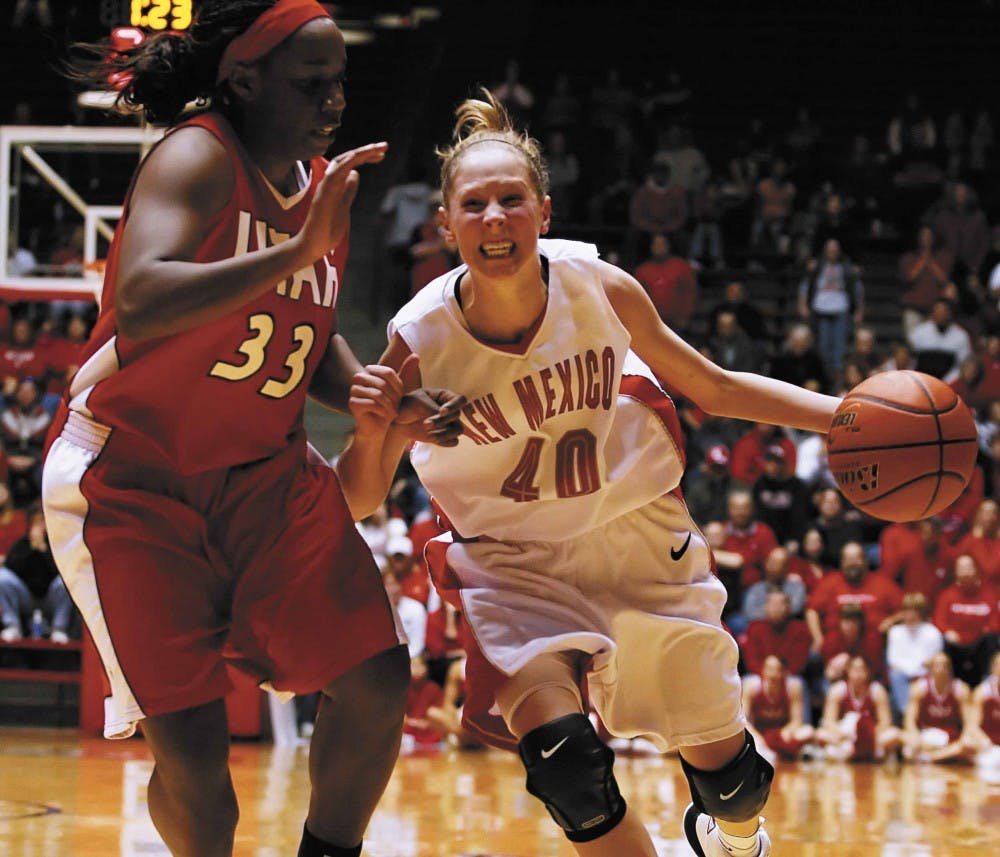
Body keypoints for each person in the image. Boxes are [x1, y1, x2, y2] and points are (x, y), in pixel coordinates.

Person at [364, 89, 847, 857]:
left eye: (512, 201)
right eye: (476, 204)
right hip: (513, 562)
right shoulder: (417, 341)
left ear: (544, 213)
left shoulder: (601, 288)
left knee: (734, 785)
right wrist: (377, 427)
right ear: (445, 224)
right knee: (569, 772)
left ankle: (733, 837)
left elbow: (713, 386)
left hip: (636, 533)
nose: (496, 219)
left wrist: (843, 416)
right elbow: (359, 492)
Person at [42, 4, 463, 857]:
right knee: (199, 774)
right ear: (244, 80)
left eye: (340, 82)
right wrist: (300, 246)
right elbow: (143, 299)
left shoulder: (313, 182)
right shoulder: (196, 155)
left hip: (265, 474)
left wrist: (373, 398)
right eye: (313, 83)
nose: (334, 101)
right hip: (135, 484)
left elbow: (300, 330)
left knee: (377, 682)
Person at [816, 655, 902, 762]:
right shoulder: (837, 690)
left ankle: (853, 753)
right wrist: (840, 734)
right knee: (820, 734)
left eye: (862, 669)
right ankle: (856, 752)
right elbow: (829, 720)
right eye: (855, 669)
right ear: (848, 671)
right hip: (845, 736)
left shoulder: (877, 691)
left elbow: (885, 721)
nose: (858, 673)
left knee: (894, 734)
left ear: (868, 672)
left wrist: (872, 735)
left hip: (871, 736)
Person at [901, 651, 975, 764]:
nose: (942, 669)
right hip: (926, 736)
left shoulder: (961, 689)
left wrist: (965, 737)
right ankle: (942, 756)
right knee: (906, 746)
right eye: (938, 665)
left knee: (968, 745)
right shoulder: (919, 688)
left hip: (951, 738)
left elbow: (969, 722)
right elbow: (909, 720)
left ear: (950, 669)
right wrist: (914, 735)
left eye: (945, 665)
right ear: (931, 669)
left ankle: (930, 758)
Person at [741, 655, 815, 763]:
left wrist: (786, 731)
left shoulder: (793, 687)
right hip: (759, 735)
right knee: (747, 740)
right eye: (769, 669)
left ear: (785, 672)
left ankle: (786, 752)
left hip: (780, 735)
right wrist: (758, 738)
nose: (772, 674)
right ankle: (788, 752)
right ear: (763, 670)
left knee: (808, 731)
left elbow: (797, 720)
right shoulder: (752, 687)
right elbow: (744, 721)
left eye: (777, 670)